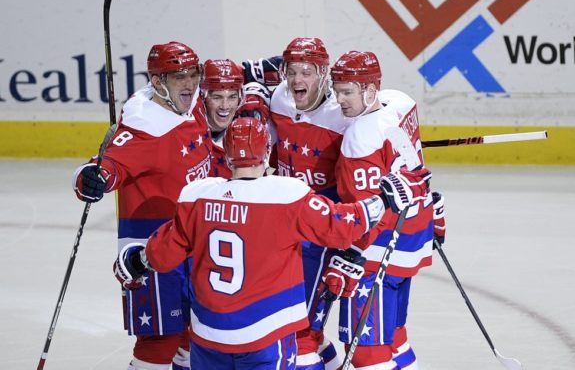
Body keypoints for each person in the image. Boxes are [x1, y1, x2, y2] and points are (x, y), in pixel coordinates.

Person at [112, 117, 432, 370]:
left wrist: (137, 260)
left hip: (208, 333)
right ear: (266, 153)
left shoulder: (197, 195)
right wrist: (384, 199)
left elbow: (163, 254)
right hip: (263, 336)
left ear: (228, 152)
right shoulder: (286, 196)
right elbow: (343, 227)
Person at [73, 41, 211, 370]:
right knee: (160, 340)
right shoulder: (143, 129)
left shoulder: (193, 106)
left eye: (193, 74)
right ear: (159, 82)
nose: (190, 84)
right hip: (153, 246)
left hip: (195, 241)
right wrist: (91, 178)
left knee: (196, 333)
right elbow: (106, 169)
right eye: (180, 77)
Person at [321, 50, 434, 369]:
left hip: (377, 256)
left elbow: (367, 212)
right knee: (396, 338)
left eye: (347, 92)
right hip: (410, 242)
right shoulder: (401, 102)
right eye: (337, 89)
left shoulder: (359, 138)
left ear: (370, 90)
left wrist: (349, 256)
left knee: (366, 351)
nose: (339, 100)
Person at [269, 37, 350, 369]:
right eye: (292, 71)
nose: (297, 80)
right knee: (297, 323)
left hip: (321, 228)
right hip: (286, 225)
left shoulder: (343, 116)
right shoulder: (279, 100)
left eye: (307, 72)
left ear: (323, 74)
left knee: (301, 329)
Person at [202, 58, 276, 179]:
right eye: (217, 97)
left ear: (240, 98)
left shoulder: (253, 116)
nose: (225, 106)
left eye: (232, 97)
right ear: (203, 97)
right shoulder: (190, 126)